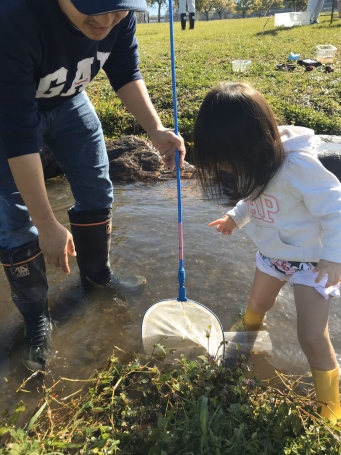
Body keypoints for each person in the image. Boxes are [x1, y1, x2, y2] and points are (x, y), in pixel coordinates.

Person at [0, 0, 186, 372]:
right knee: (15, 221)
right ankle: (37, 316)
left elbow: (125, 72)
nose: (106, 21)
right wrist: (47, 224)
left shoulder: (121, 15)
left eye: (117, 10)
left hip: (68, 100)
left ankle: (98, 277)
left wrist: (156, 129)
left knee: (97, 188)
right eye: (95, 8)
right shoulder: (14, 18)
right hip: (9, 114)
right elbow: (18, 136)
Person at [192, 82, 341, 423]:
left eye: (227, 159)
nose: (226, 168)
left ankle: (331, 411)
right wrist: (235, 218)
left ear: (251, 144)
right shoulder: (251, 164)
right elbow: (253, 198)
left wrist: (335, 255)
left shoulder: (297, 166)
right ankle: (241, 347)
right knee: (257, 305)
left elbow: (336, 206)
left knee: (311, 335)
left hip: (315, 262)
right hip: (273, 255)